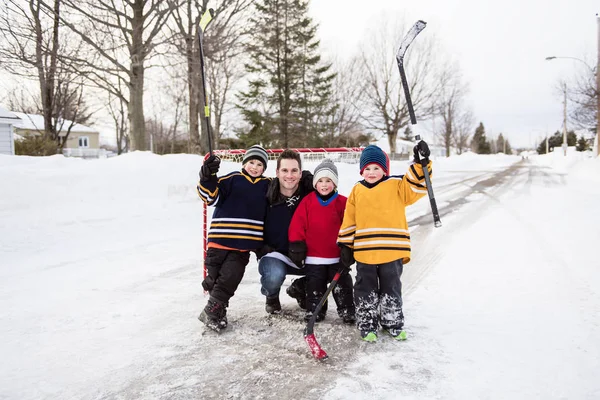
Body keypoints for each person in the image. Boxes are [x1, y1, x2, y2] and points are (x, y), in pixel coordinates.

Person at [337, 142, 432, 342]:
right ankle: (367, 323)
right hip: (365, 251)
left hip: (392, 250)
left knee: (391, 287)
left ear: (385, 170)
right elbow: (350, 219)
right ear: (362, 170)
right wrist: (345, 244)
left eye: (377, 168)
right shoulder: (357, 190)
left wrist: (420, 162)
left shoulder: (396, 185)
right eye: (367, 168)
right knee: (365, 288)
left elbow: (417, 185)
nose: (371, 172)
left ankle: (392, 322)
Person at [196, 145, 271, 332]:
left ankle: (211, 311)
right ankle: (218, 312)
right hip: (218, 241)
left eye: (259, 164)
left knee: (231, 277)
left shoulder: (268, 185)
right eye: (251, 162)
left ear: (264, 168)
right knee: (214, 280)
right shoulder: (230, 180)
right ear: (244, 163)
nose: (255, 167)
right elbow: (209, 197)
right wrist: (208, 177)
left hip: (243, 246)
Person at [288, 159, 356, 323]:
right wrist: (297, 245)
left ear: (335, 183)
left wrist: (349, 247)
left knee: (342, 285)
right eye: (320, 181)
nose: (324, 185)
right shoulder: (308, 201)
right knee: (315, 286)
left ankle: (347, 309)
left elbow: (351, 225)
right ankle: (315, 310)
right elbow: (297, 224)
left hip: (336, 256)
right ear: (315, 183)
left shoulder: (343, 202)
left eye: (328, 181)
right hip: (314, 257)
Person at [256, 149, 315, 314]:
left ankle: (300, 288)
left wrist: (313, 179)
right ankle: (272, 295)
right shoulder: (266, 194)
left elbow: (331, 192)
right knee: (274, 276)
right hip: (275, 255)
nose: (290, 175)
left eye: (294, 170)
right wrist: (259, 247)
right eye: (285, 170)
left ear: (301, 173)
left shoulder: (310, 192)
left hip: (304, 254)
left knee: (328, 270)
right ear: (277, 172)